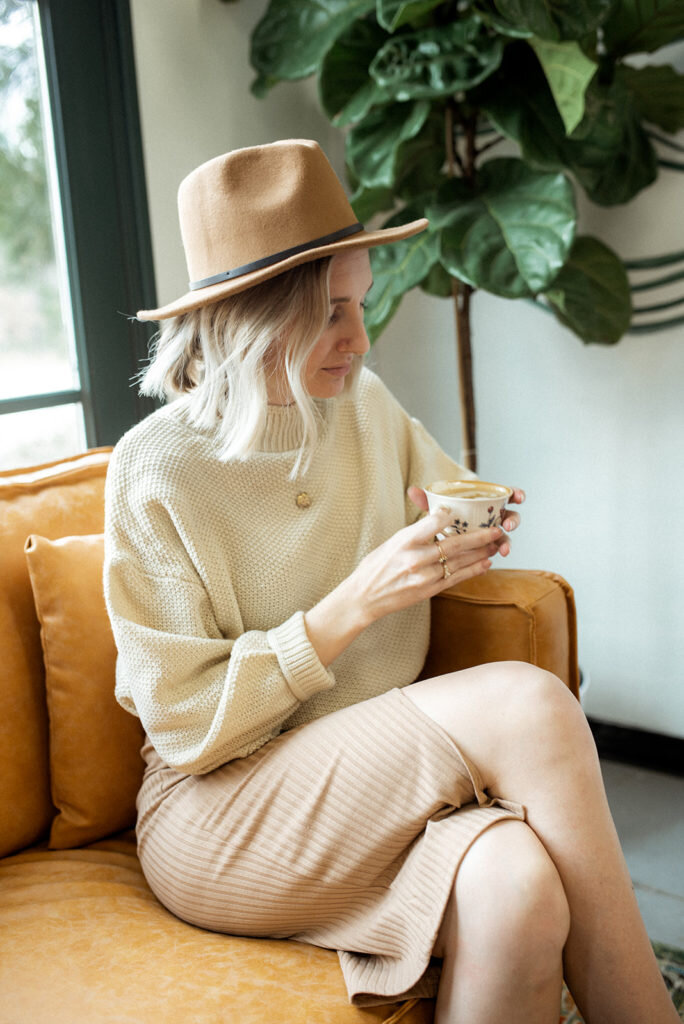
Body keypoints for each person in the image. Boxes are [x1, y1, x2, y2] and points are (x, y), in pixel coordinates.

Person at [104, 139, 677, 1023]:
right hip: (220, 812)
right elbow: (186, 728)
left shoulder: (360, 402)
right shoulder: (157, 469)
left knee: (519, 885)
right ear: (254, 317)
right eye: (332, 314)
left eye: (360, 306)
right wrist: (355, 602)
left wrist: (461, 537)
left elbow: (434, 506)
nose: (360, 340)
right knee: (529, 705)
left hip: (371, 791)